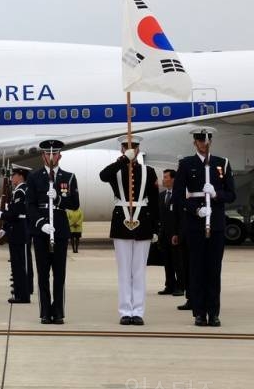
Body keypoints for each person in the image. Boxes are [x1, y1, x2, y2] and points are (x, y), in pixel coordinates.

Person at [173, 127, 235, 327]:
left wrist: (216, 194)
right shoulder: (186, 164)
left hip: (215, 224)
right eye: (200, 140)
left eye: (206, 140)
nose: (204, 144)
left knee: (214, 270)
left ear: (210, 142)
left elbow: (231, 194)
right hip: (195, 224)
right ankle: (199, 313)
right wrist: (196, 210)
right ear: (195, 143)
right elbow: (178, 196)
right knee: (197, 270)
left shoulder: (222, 163)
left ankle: (213, 312)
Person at [99, 136, 159, 326]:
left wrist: (156, 227)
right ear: (122, 149)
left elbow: (155, 201)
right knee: (124, 271)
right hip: (121, 222)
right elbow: (103, 175)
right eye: (126, 147)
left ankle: (138, 311)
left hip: (143, 222)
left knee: (139, 271)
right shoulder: (116, 169)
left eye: (133, 147)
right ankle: (125, 310)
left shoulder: (148, 171)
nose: (130, 149)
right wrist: (124, 159)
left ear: (139, 150)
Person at [26, 139, 80, 325]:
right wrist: (40, 223)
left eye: (54, 153)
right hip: (41, 230)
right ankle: (45, 312)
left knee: (59, 274)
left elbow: (75, 204)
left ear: (60, 156)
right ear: (42, 156)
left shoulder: (68, 177)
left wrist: (58, 199)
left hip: (60, 229)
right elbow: (30, 205)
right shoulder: (34, 177)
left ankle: (58, 312)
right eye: (48, 153)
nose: (51, 157)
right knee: (43, 274)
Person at [0, 165, 32, 304]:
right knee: (17, 264)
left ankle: (22, 295)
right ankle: (20, 291)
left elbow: (16, 213)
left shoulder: (21, 191)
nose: (12, 178)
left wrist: (3, 215)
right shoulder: (20, 190)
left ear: (20, 176)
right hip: (17, 229)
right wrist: (6, 227)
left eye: (14, 175)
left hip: (19, 230)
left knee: (20, 265)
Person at [157, 169, 185, 297]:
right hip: (164, 235)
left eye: (166, 177)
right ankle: (169, 285)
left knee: (178, 262)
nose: (163, 180)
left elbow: (181, 217)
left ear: (173, 179)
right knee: (167, 262)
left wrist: (178, 233)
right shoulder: (161, 195)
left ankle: (180, 286)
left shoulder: (180, 195)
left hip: (176, 235)